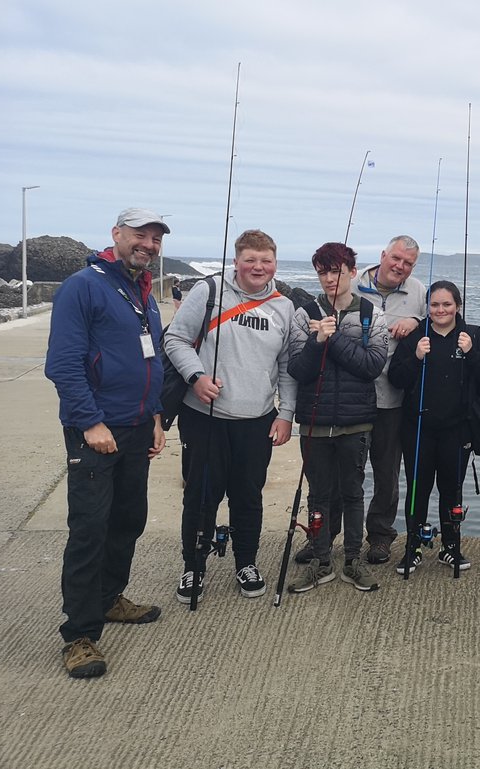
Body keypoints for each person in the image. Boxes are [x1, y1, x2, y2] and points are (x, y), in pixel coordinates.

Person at [44, 207, 169, 678]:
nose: (149, 244)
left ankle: (110, 597)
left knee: (128, 518)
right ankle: (79, 633)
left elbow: (150, 360)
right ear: (117, 235)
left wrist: (156, 415)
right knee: (90, 528)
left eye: (155, 238)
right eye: (140, 235)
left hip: (138, 427)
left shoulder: (144, 293)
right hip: (96, 429)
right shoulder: (85, 285)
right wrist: (90, 423)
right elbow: (64, 363)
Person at [164, 229, 296, 604]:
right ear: (236, 261)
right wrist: (197, 377)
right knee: (202, 497)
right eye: (250, 259)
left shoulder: (283, 307)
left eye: (265, 260)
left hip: (257, 420)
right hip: (204, 416)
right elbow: (174, 339)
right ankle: (193, 566)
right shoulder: (208, 292)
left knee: (248, 496)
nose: (258, 267)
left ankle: (246, 562)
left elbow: (286, 367)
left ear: (275, 263)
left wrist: (285, 413)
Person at [285, 243, 388, 593]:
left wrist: (335, 341)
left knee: (353, 493)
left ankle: (353, 561)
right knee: (318, 495)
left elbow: (373, 365)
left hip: (357, 423)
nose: (330, 278)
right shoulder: (305, 313)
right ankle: (320, 560)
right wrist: (317, 340)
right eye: (323, 271)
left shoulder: (371, 314)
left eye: (337, 271)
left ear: (352, 272)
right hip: (314, 424)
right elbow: (298, 369)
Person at [387, 280, 480, 574]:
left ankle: (451, 546)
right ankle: (412, 547)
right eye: (435, 305)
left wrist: (472, 352)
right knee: (418, 489)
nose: (440, 310)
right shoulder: (416, 338)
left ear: (458, 306)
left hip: (457, 429)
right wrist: (415, 358)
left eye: (447, 304)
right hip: (418, 428)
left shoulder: (473, 335)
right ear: (429, 308)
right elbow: (396, 379)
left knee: (452, 490)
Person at [354, 235, 426, 564]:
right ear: (383, 255)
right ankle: (332, 536)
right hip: (352, 399)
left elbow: (447, 317)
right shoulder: (352, 286)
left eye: (408, 262)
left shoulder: (419, 292)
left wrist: (417, 320)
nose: (400, 266)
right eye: (395, 258)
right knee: (347, 472)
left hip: (393, 400)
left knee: (387, 474)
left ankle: (380, 536)